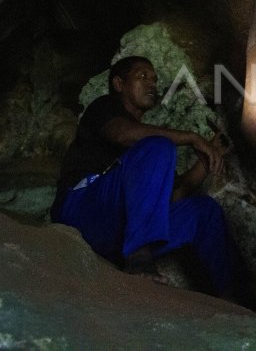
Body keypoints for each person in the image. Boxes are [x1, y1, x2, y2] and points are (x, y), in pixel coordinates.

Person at [50, 56, 240, 298]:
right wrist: (192, 138)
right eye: (142, 77)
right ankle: (139, 259)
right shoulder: (104, 108)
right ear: (119, 84)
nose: (152, 84)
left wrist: (209, 156)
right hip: (83, 210)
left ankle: (232, 299)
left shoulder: (150, 148)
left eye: (154, 79)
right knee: (159, 146)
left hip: (120, 233)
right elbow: (122, 134)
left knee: (204, 211)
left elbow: (175, 195)